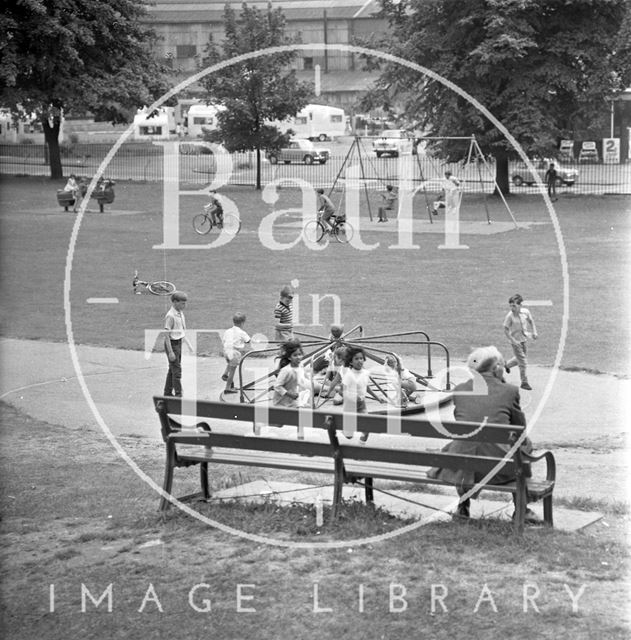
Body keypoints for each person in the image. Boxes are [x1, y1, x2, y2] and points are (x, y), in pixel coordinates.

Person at [427, 346, 540, 523]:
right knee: (523, 444)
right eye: (503, 365)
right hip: (497, 470)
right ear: (496, 368)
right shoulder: (509, 391)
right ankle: (521, 509)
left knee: (465, 444)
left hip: (461, 468)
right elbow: (519, 428)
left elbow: (462, 423)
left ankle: (463, 506)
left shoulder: (461, 390)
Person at [503, 293, 538, 391]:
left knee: (520, 359)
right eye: (510, 305)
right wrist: (513, 341)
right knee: (523, 362)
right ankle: (524, 382)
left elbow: (531, 321)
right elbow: (505, 330)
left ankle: (507, 365)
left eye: (514, 305)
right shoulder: (509, 316)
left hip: (523, 339)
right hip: (515, 342)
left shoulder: (525, 312)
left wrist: (534, 332)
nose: (511, 307)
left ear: (520, 305)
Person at [163, 291, 193, 397]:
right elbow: (166, 335)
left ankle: (167, 392)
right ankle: (179, 394)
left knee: (172, 369)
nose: (184, 306)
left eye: (185, 303)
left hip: (178, 342)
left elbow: (181, 332)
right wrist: (170, 352)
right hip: (172, 344)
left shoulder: (180, 313)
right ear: (175, 302)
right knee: (177, 371)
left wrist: (188, 345)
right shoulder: (170, 316)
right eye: (182, 303)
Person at [342, 346, 371, 442]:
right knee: (349, 436)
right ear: (350, 362)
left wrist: (377, 398)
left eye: (361, 358)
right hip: (350, 406)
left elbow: (366, 387)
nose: (360, 361)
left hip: (362, 405)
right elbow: (343, 391)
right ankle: (344, 429)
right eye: (356, 359)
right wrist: (353, 397)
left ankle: (361, 446)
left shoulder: (366, 373)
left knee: (367, 427)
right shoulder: (349, 375)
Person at [221, 312, 252, 394]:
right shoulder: (242, 332)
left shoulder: (228, 331)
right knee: (232, 371)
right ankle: (228, 388)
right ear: (242, 323)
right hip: (234, 352)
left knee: (229, 364)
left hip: (226, 351)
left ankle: (225, 374)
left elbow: (224, 340)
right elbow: (248, 340)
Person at [272, 340, 309, 407]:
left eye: (300, 354)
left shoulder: (300, 365)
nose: (298, 357)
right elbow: (277, 386)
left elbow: (304, 378)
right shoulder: (286, 370)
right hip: (282, 403)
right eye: (295, 355)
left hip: (293, 399)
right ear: (289, 357)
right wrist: (290, 394)